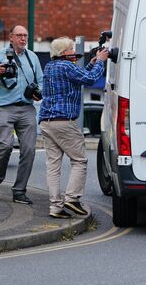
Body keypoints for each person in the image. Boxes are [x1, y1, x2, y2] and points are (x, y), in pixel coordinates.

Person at [39, 37, 108, 219]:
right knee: (79, 161)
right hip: (64, 121)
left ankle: (55, 207)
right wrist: (100, 61)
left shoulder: (50, 67)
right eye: (70, 49)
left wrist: (91, 63)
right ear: (63, 53)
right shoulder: (67, 66)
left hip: (46, 121)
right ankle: (72, 198)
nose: (73, 52)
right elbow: (91, 79)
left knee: (53, 165)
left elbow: (78, 79)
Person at [0, 25, 44, 205]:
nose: (23, 39)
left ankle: (19, 191)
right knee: (6, 146)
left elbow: (41, 81)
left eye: (25, 35)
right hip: (4, 107)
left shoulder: (33, 58)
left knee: (29, 150)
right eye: (19, 35)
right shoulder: (0, 55)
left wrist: (39, 91)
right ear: (11, 38)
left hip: (27, 108)